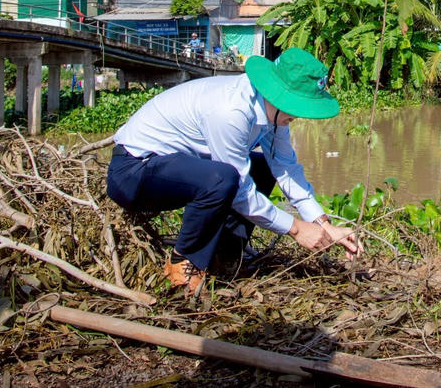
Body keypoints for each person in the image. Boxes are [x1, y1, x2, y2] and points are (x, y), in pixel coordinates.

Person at [106, 47, 361, 296]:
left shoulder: (271, 113)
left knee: (261, 167)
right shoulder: (230, 111)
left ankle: (224, 258)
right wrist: (295, 228)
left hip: (176, 169)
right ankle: (183, 266)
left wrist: (323, 223)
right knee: (222, 179)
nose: (298, 116)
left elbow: (285, 167)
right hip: (134, 173)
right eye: (296, 107)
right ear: (278, 95)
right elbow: (238, 189)